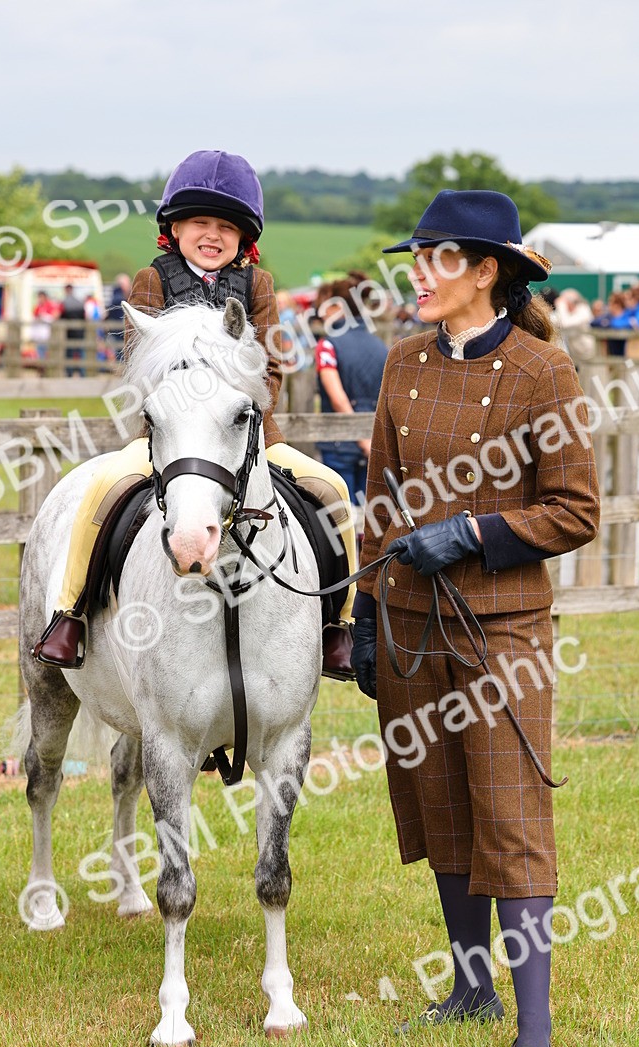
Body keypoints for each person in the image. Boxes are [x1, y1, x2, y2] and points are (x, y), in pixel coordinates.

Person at [350, 190, 600, 1047]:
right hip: (413, 626)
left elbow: (575, 510)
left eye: (435, 259)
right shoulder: (403, 363)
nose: (416, 274)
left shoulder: (543, 371)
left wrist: (474, 534)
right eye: (414, 257)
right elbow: (379, 499)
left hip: (502, 634)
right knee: (440, 805)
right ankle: (470, 988)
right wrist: (367, 615)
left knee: (511, 815)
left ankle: (533, 1032)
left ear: (485, 271)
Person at [33, 150, 357, 678]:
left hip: (248, 435)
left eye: (226, 226)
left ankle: (337, 626)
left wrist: (240, 410)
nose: (212, 235)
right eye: (200, 223)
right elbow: (140, 365)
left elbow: (272, 365)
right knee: (100, 491)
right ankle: (70, 615)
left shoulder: (259, 286)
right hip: (167, 436)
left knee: (333, 492)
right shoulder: (151, 280)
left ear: (243, 237)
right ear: (175, 227)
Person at [313, 272, 389, 506]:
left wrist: (360, 438)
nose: (320, 313)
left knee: (339, 519)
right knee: (368, 519)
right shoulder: (381, 347)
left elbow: (338, 400)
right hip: (373, 442)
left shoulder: (327, 345)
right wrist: (370, 442)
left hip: (340, 443)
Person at [59, 285, 86, 377]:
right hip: (80, 332)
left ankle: (69, 373)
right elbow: (84, 317)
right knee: (80, 353)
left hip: (69, 333)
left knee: (69, 353)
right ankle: (82, 373)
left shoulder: (64, 303)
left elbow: (61, 317)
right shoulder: (80, 302)